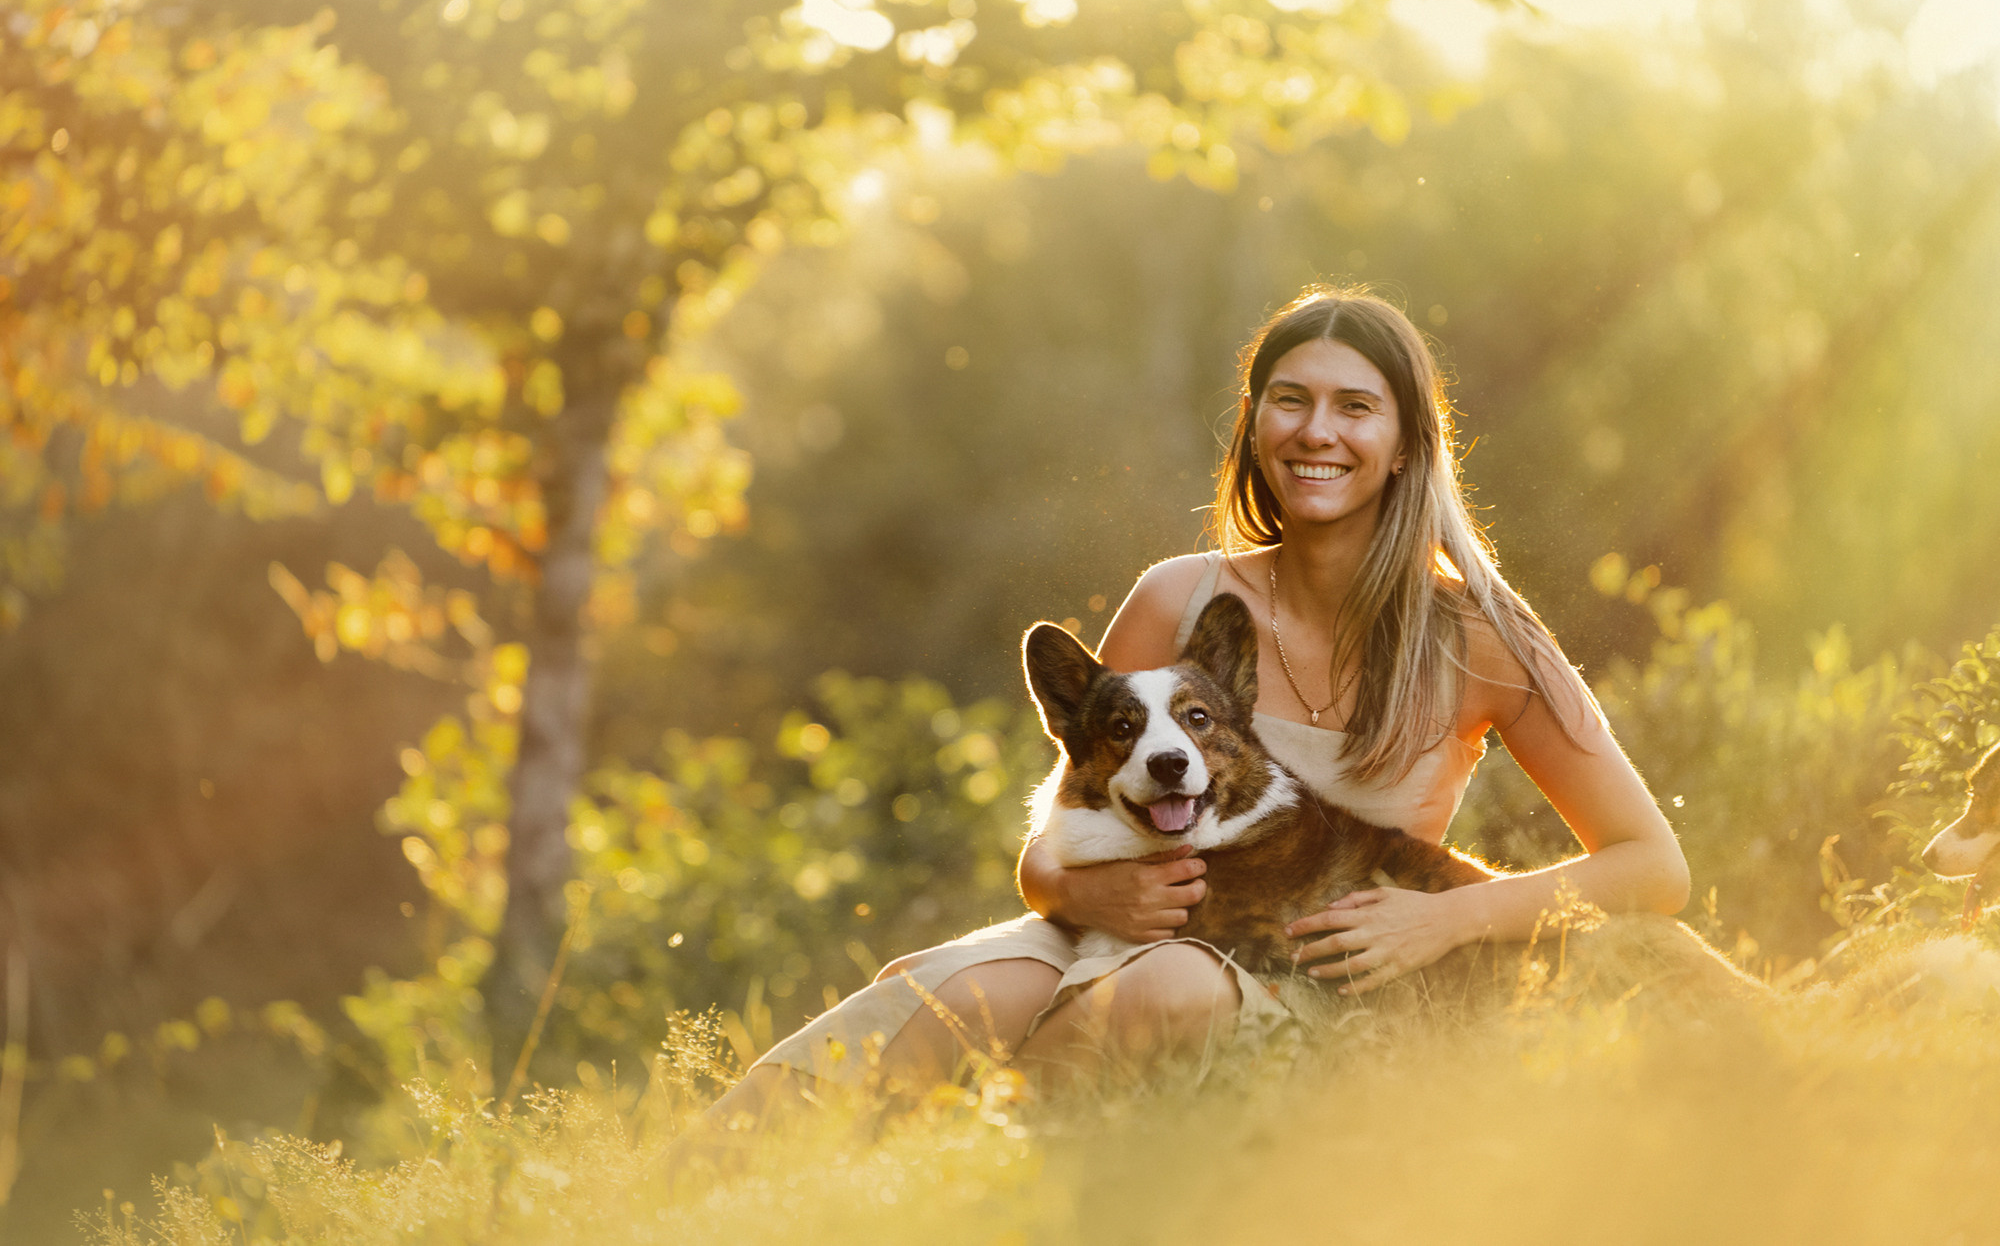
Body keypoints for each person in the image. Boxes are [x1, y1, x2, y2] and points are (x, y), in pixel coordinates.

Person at [691, 286, 1690, 1132]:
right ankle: (689, 1191)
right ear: (1252, 426)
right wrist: (1079, 897)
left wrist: (1449, 921)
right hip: (1113, 927)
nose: (1315, 431)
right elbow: (1055, 838)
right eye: (1288, 400)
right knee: (956, 989)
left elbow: (1652, 865)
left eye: (1354, 406)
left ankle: (1001, 1178)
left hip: (1312, 968)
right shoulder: (1175, 597)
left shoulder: (1482, 636)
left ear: (1403, 443)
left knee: (1158, 991)